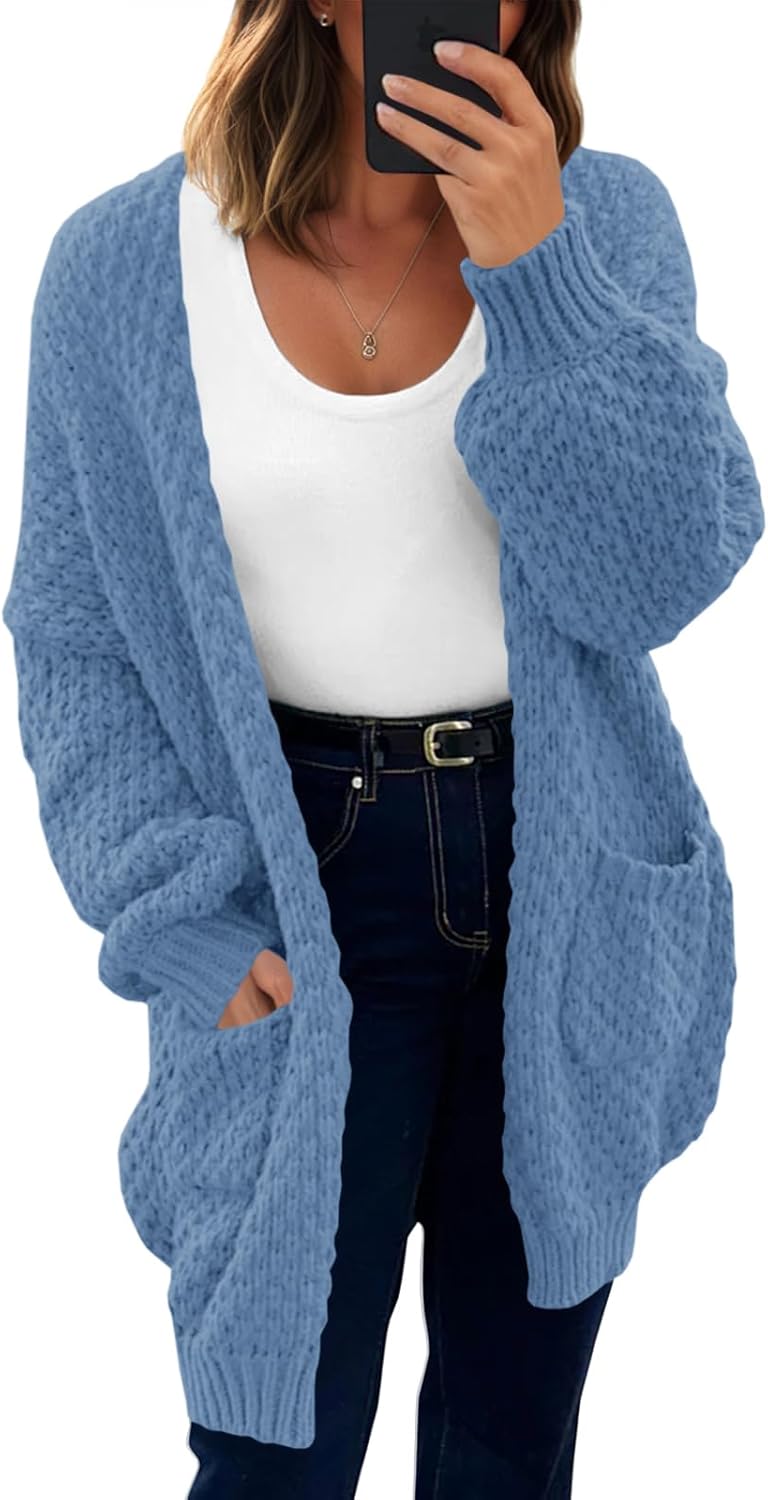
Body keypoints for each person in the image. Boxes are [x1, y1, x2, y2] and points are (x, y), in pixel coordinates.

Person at [3, 2, 763, 1497]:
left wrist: (539, 273)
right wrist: (179, 919)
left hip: (559, 883)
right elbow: (73, 633)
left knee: (508, 1443)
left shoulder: (606, 226)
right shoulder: (121, 269)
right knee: (271, 1448)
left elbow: (656, 583)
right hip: (292, 881)